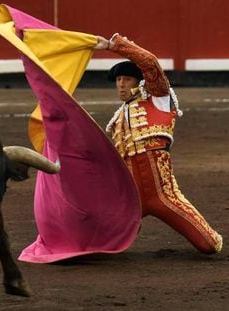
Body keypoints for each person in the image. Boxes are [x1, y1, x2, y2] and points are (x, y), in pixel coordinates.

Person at [93, 33, 222, 254]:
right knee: (93, 244)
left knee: (209, 245)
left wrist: (114, 45)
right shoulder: (117, 121)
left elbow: (150, 62)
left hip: (163, 193)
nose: (121, 85)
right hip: (130, 198)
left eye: (128, 80)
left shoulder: (158, 98)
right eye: (118, 80)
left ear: (140, 82)